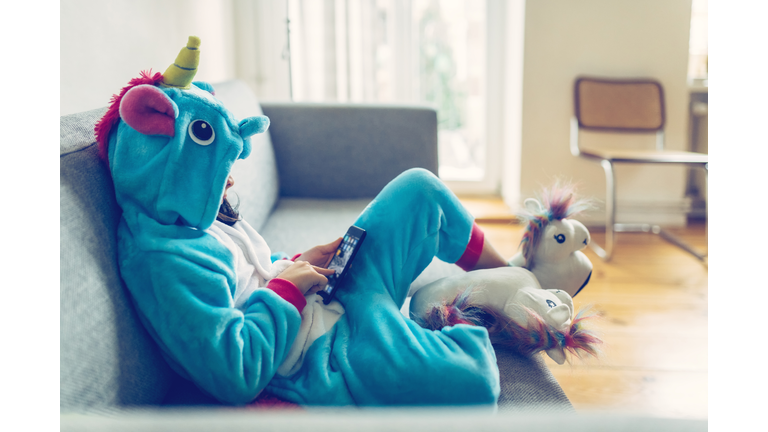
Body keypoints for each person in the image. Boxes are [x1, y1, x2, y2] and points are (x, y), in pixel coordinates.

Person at [96, 36, 510, 408]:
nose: (232, 180)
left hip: (329, 294)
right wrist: (288, 288)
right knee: (473, 383)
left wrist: (298, 261)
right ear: (173, 169)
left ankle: (511, 277)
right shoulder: (161, 263)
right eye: (220, 174)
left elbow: (253, 273)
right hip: (327, 348)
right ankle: (430, 324)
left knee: (419, 189)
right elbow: (235, 373)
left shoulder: (194, 217)